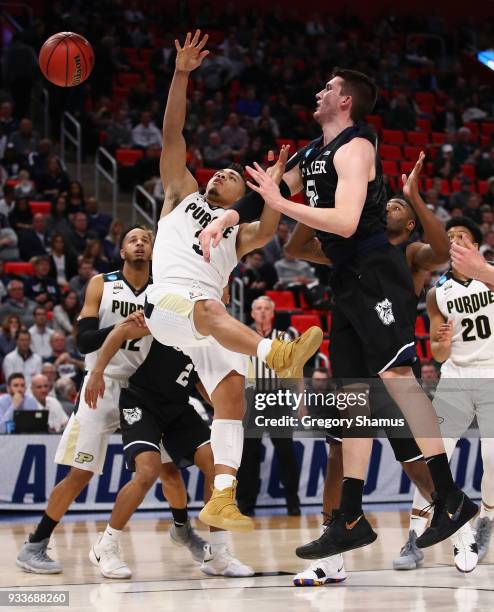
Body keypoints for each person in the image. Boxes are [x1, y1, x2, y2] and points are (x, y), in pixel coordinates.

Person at [202, 69, 477, 556]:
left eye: (327, 88)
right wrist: (228, 214)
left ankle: (450, 495)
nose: (318, 92)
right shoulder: (311, 153)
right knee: (354, 398)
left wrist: (281, 203)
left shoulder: (358, 146)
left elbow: (347, 221)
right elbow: (263, 191)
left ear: (345, 100)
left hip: (375, 270)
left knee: (399, 380)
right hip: (347, 280)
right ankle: (350, 515)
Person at [143, 31, 322, 534]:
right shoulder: (183, 193)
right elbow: (172, 135)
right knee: (210, 309)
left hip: (205, 321)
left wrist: (274, 185)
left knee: (232, 391)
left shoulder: (238, 234)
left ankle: (223, 496)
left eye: (231, 175)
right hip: (169, 304)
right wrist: (181, 74)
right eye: (219, 170)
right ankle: (277, 354)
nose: (221, 173)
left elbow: (269, 228)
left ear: (242, 192)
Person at [15, 226, 154, 574]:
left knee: (163, 468)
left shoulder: (162, 291)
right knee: (81, 472)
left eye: (146, 240)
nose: (139, 243)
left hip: (142, 389)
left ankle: (189, 535)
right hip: (100, 384)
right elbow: (84, 341)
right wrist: (123, 328)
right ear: (121, 251)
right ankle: (35, 544)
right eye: (132, 240)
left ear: (153, 250)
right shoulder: (101, 284)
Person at [83, 316, 254, 578]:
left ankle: (218, 554)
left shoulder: (210, 338)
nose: (225, 293)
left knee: (218, 466)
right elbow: (120, 332)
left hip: (177, 407)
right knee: (147, 471)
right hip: (142, 402)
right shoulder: (172, 317)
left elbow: (201, 384)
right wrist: (96, 373)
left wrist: (228, 409)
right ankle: (105, 545)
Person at [421, 217, 494, 567]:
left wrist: (483, 271)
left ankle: (487, 518)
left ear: (477, 246)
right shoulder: (438, 292)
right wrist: (442, 344)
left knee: (492, 458)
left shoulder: (491, 276)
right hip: (454, 376)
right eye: (449, 238)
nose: (454, 243)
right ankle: (417, 530)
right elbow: (437, 353)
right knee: (434, 455)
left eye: (462, 237)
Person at [237, 296, 301, 516]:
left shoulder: (286, 336)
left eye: (266, 308)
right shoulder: (241, 334)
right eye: (258, 308)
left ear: (272, 313)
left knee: (285, 450)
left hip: (279, 396)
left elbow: (297, 368)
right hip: (252, 397)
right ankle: (246, 504)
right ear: (252, 313)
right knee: (249, 453)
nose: (262, 312)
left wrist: (300, 400)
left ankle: (293, 501)